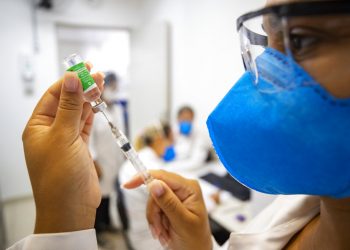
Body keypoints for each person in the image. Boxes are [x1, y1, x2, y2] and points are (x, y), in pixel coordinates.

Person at [8, 0, 350, 249]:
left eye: (302, 40)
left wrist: (59, 224)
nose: (263, 77)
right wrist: (200, 244)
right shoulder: (292, 213)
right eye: (267, 45)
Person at [118, 122, 175, 250]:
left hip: (135, 231)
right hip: (152, 240)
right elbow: (180, 205)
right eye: (170, 142)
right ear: (160, 140)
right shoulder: (153, 168)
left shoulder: (129, 164)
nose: (171, 147)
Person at [89, 72, 124, 242]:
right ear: (103, 88)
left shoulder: (117, 109)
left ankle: (107, 223)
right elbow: (89, 141)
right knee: (98, 198)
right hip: (100, 162)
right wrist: (94, 163)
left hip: (114, 160)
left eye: (116, 87)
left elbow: (121, 133)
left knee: (109, 195)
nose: (114, 90)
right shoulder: (93, 109)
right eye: (111, 87)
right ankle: (96, 232)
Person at [167, 106, 211, 172]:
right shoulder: (171, 132)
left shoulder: (198, 135)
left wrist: (171, 167)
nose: (186, 121)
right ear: (178, 118)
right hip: (171, 167)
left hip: (190, 170)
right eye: (183, 118)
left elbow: (196, 161)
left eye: (189, 119)